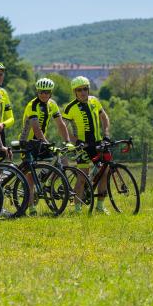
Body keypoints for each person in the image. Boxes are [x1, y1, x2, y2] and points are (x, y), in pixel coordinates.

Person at [20, 78, 73, 215]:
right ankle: (31, 208)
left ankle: (47, 184)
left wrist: (67, 140)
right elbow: (36, 128)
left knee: (60, 159)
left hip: (41, 142)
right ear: (37, 92)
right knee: (30, 178)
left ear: (51, 93)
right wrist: (47, 144)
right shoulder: (32, 105)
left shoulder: (52, 104)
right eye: (41, 92)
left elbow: (60, 124)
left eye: (47, 92)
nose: (44, 95)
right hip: (28, 143)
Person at [62, 76, 112, 214]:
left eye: (85, 89)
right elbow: (63, 127)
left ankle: (100, 206)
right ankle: (77, 209)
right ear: (75, 92)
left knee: (104, 172)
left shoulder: (95, 101)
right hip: (83, 146)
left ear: (88, 89)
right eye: (79, 90)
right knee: (82, 177)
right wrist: (75, 141)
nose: (83, 92)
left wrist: (106, 134)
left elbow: (104, 117)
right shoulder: (70, 107)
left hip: (98, 144)